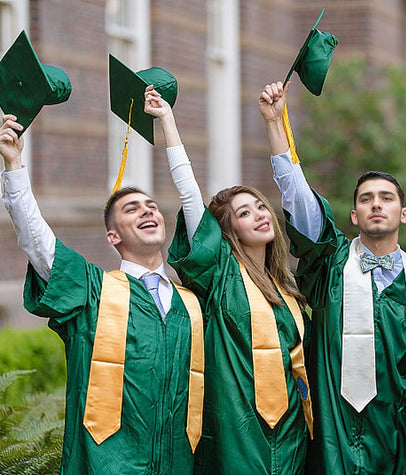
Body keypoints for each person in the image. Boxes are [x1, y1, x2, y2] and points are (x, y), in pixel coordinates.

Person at [0, 113, 204, 474]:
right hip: (106, 464)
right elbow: (40, 245)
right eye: (132, 208)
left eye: (152, 206)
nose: (147, 211)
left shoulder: (192, 304)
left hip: (179, 463)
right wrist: (14, 165)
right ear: (114, 237)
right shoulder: (95, 291)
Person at [143, 85, 313, 475]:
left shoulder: (287, 289)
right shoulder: (220, 274)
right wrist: (168, 122)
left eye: (259, 206)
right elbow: (190, 197)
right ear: (227, 231)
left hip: (292, 432)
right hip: (239, 430)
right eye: (243, 213)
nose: (257, 214)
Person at [259, 80, 406, 474]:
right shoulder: (331, 263)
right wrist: (275, 124)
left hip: (401, 439)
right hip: (334, 435)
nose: (376, 204)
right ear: (353, 216)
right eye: (365, 199)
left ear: (404, 214)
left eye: (387, 198)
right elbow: (299, 199)